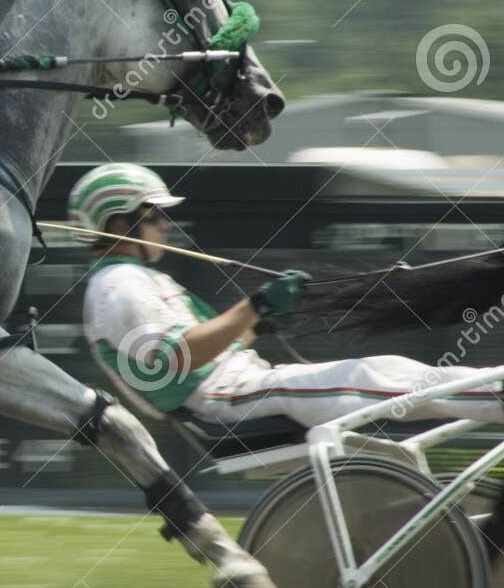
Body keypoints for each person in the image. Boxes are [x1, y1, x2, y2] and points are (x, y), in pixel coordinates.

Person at [70, 163, 504, 429]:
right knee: (375, 377)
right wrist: (252, 305)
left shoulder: (136, 280)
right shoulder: (118, 287)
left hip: (238, 389)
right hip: (232, 401)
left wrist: (257, 325)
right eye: (154, 214)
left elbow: (197, 355)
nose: (165, 225)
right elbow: (177, 359)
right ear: (118, 224)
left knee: (386, 370)